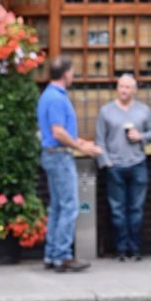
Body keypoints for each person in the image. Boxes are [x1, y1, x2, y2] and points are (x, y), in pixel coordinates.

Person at [37, 55, 102, 272]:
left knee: (57, 207)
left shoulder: (48, 95)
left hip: (53, 154)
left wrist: (79, 141)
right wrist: (81, 148)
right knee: (69, 207)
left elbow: (58, 132)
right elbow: (58, 132)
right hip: (59, 156)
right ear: (65, 73)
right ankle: (63, 256)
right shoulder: (56, 97)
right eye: (72, 71)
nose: (73, 75)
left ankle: (52, 254)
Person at [95, 73, 151, 260]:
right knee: (117, 210)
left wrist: (141, 137)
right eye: (121, 86)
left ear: (134, 90)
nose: (123, 90)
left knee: (136, 209)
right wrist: (106, 162)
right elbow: (100, 139)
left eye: (128, 87)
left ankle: (135, 248)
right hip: (115, 166)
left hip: (138, 163)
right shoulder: (106, 111)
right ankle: (121, 249)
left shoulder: (143, 110)